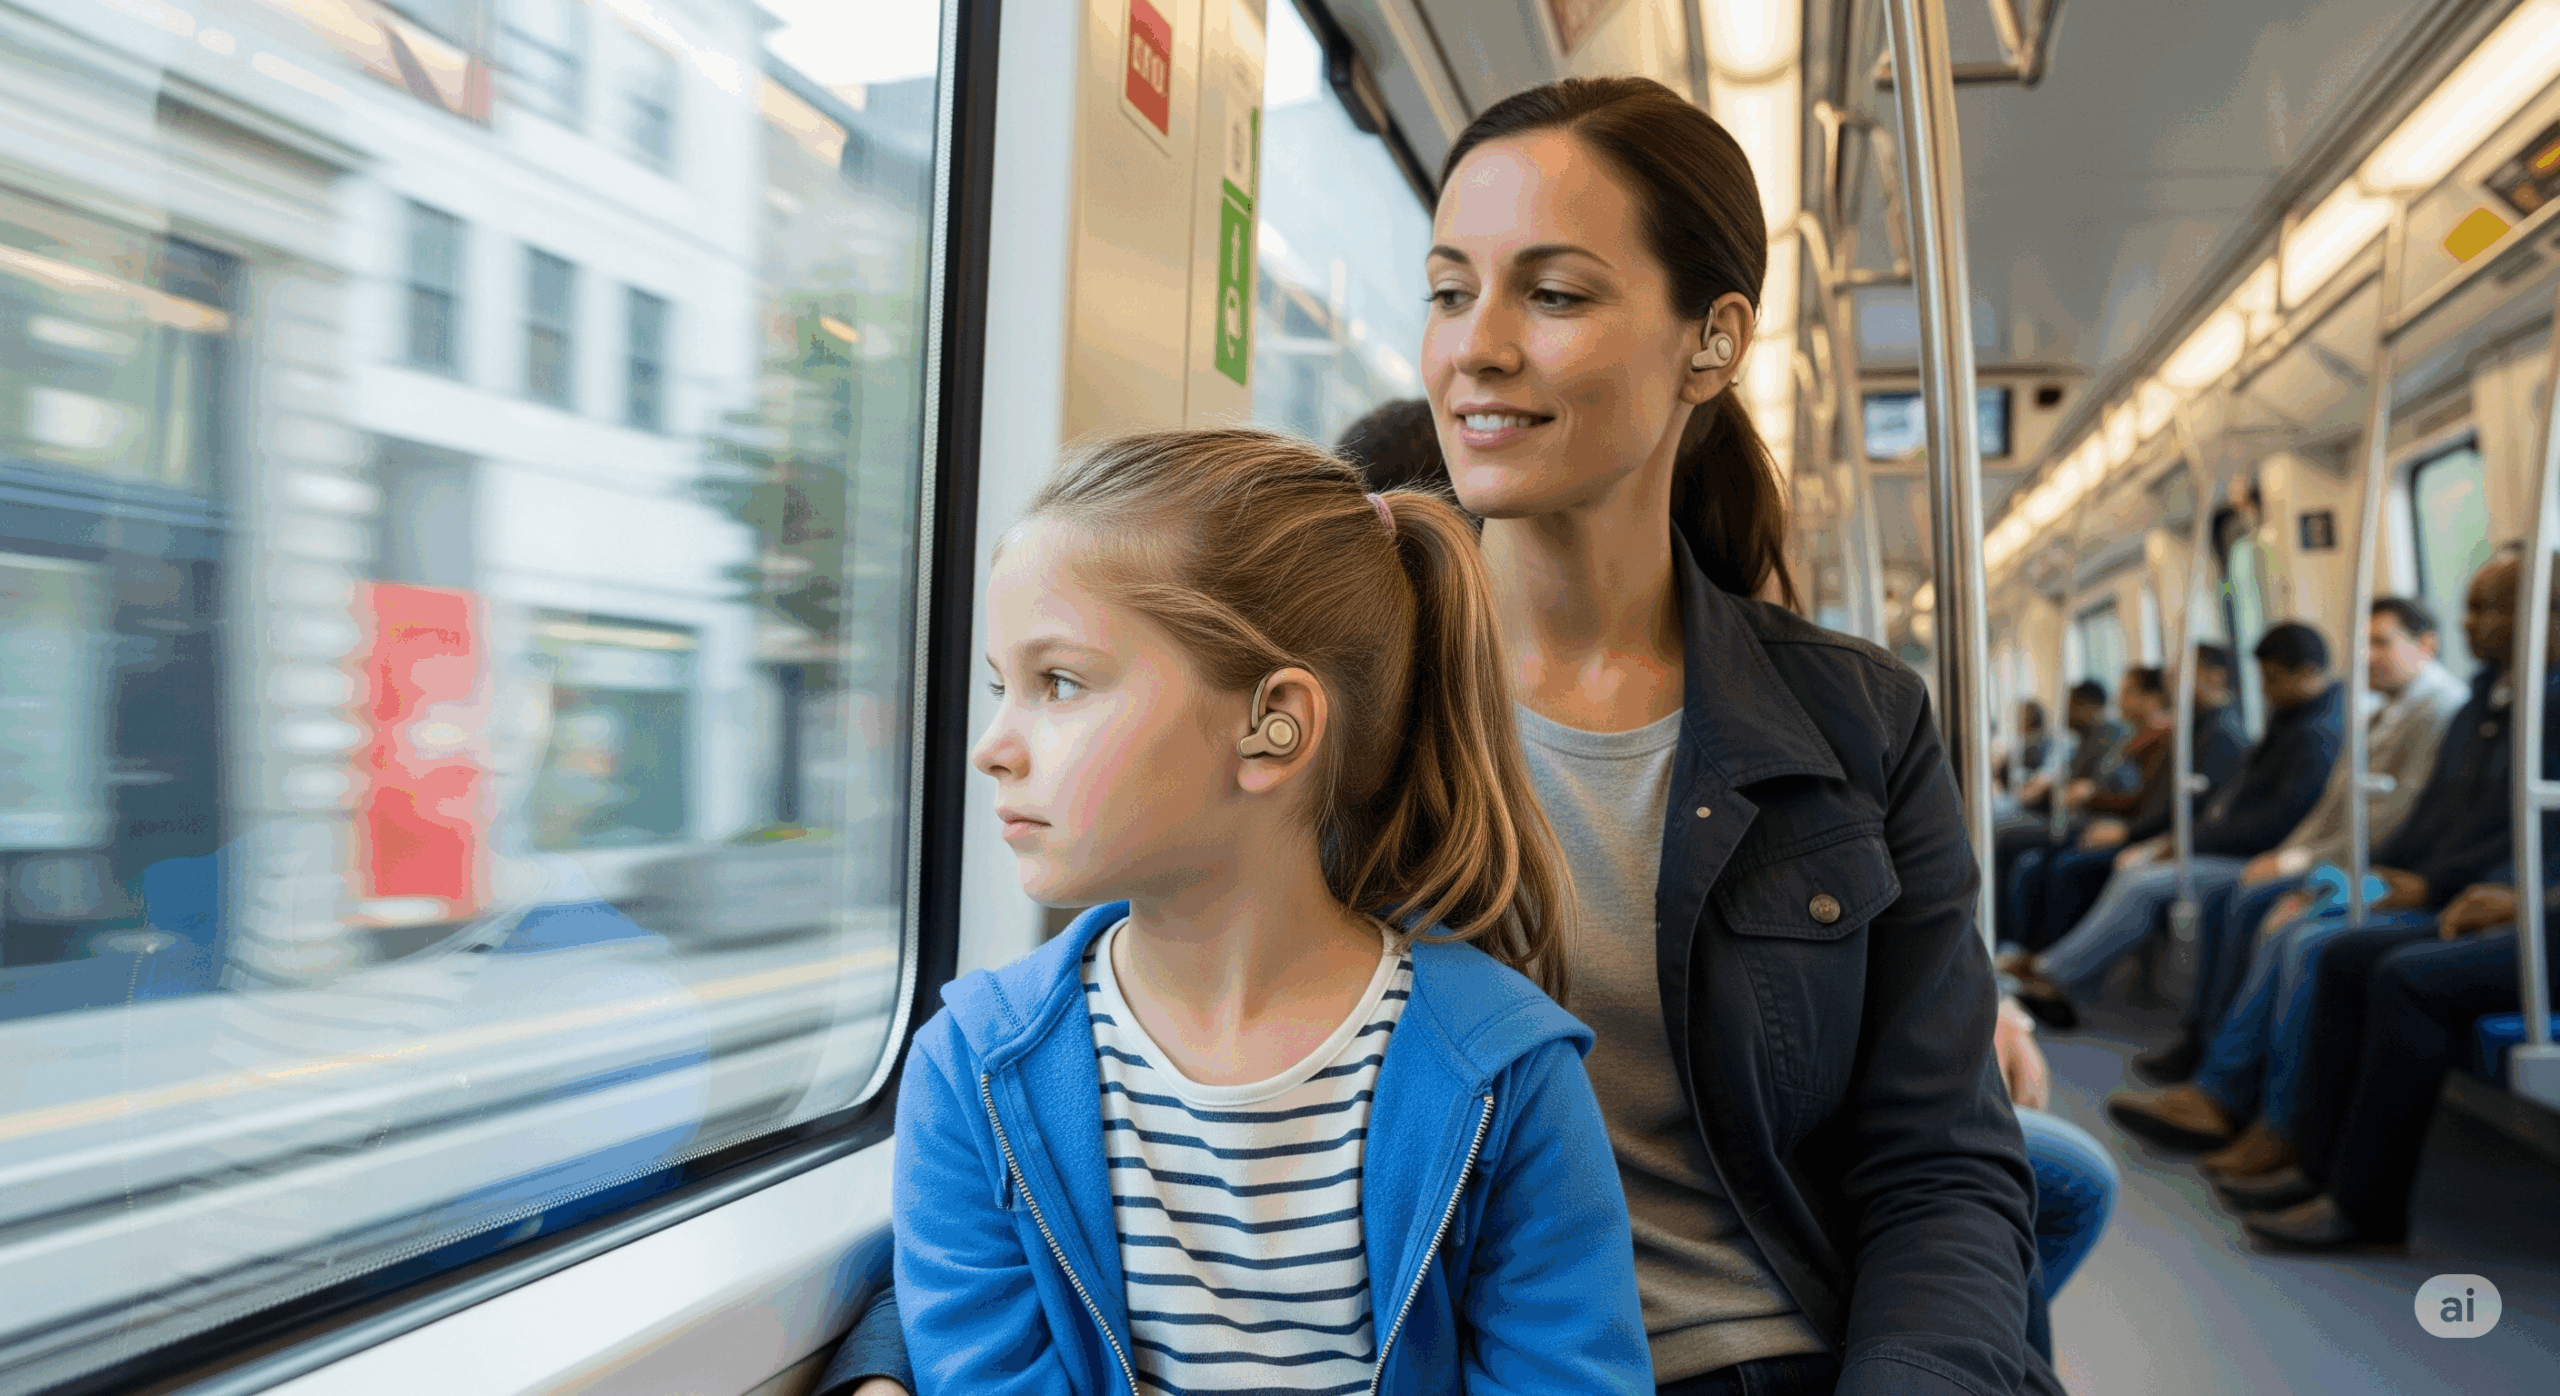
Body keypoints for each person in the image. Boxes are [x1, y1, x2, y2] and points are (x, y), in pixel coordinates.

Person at [828, 75, 2058, 1396]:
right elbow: (1104, 1060)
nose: (1476, 345)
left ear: (1710, 341)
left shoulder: (1853, 722)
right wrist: (887, 1363)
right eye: (1448, 289)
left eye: (1555, 293)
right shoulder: (1323, 673)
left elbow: (1939, 1167)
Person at [1339, 342, 2114, 1335]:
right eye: (1448, 292)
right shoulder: (1373, 729)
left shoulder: (1831, 706)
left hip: (1693, 1273)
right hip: (1620, 1279)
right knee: (2059, 1179)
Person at [880, 430, 1649, 1395]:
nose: (994, 746)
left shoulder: (1506, 1077)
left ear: (1271, 726)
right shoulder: (973, 1075)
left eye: (1060, 684)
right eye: (1004, 688)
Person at [2106, 556, 2549, 1177]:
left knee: (2303, 936)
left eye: (2381, 642)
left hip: (2442, 881)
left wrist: (2386, 878)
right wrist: (2311, 864)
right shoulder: (2459, 706)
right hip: (2404, 870)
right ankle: (2228, 1084)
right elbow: (2400, 813)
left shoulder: (2453, 708)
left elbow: (2433, 823)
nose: (2469, 623)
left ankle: (2257, 1109)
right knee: (2267, 909)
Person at [2131, 597, 2465, 1083]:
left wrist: (2299, 864)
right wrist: (2284, 856)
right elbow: (2333, 805)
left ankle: (2226, 1068)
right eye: (2362, 642)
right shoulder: (2376, 712)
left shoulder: (2440, 710)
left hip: (2370, 866)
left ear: (2427, 645)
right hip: (2334, 855)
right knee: (2236, 894)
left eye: (2381, 642)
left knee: (2259, 904)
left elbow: (2393, 817)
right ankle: (2206, 1037)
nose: (2367, 655)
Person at [2004, 623, 2343, 1027]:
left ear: (2305, 674)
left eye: (2272, 679)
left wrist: (2176, 842)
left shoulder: (2304, 735)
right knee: (2072, 861)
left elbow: (2273, 822)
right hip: (2218, 842)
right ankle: (2047, 965)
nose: (2265, 689)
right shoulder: (2275, 724)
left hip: (2254, 853)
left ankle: (2051, 973)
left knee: (2135, 879)